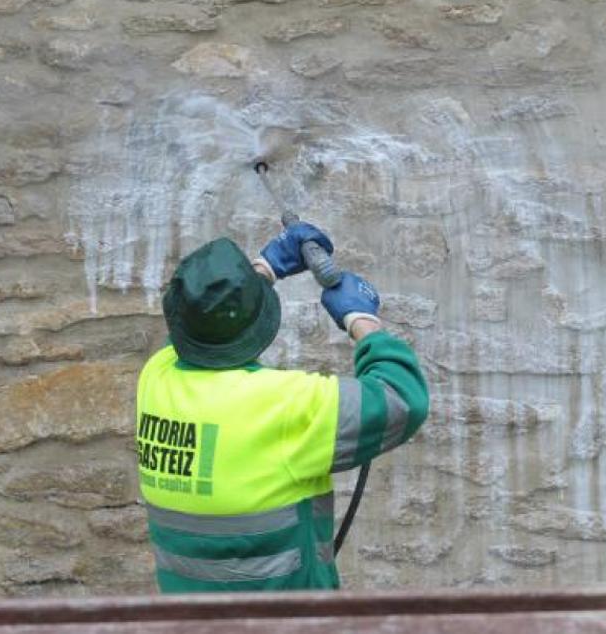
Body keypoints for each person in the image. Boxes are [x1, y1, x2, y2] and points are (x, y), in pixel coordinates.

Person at [134, 225, 429, 593]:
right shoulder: (283, 407)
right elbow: (402, 397)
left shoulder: (156, 379)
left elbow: (202, 326)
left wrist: (263, 271)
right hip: (286, 621)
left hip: (188, 621)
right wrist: (362, 321)